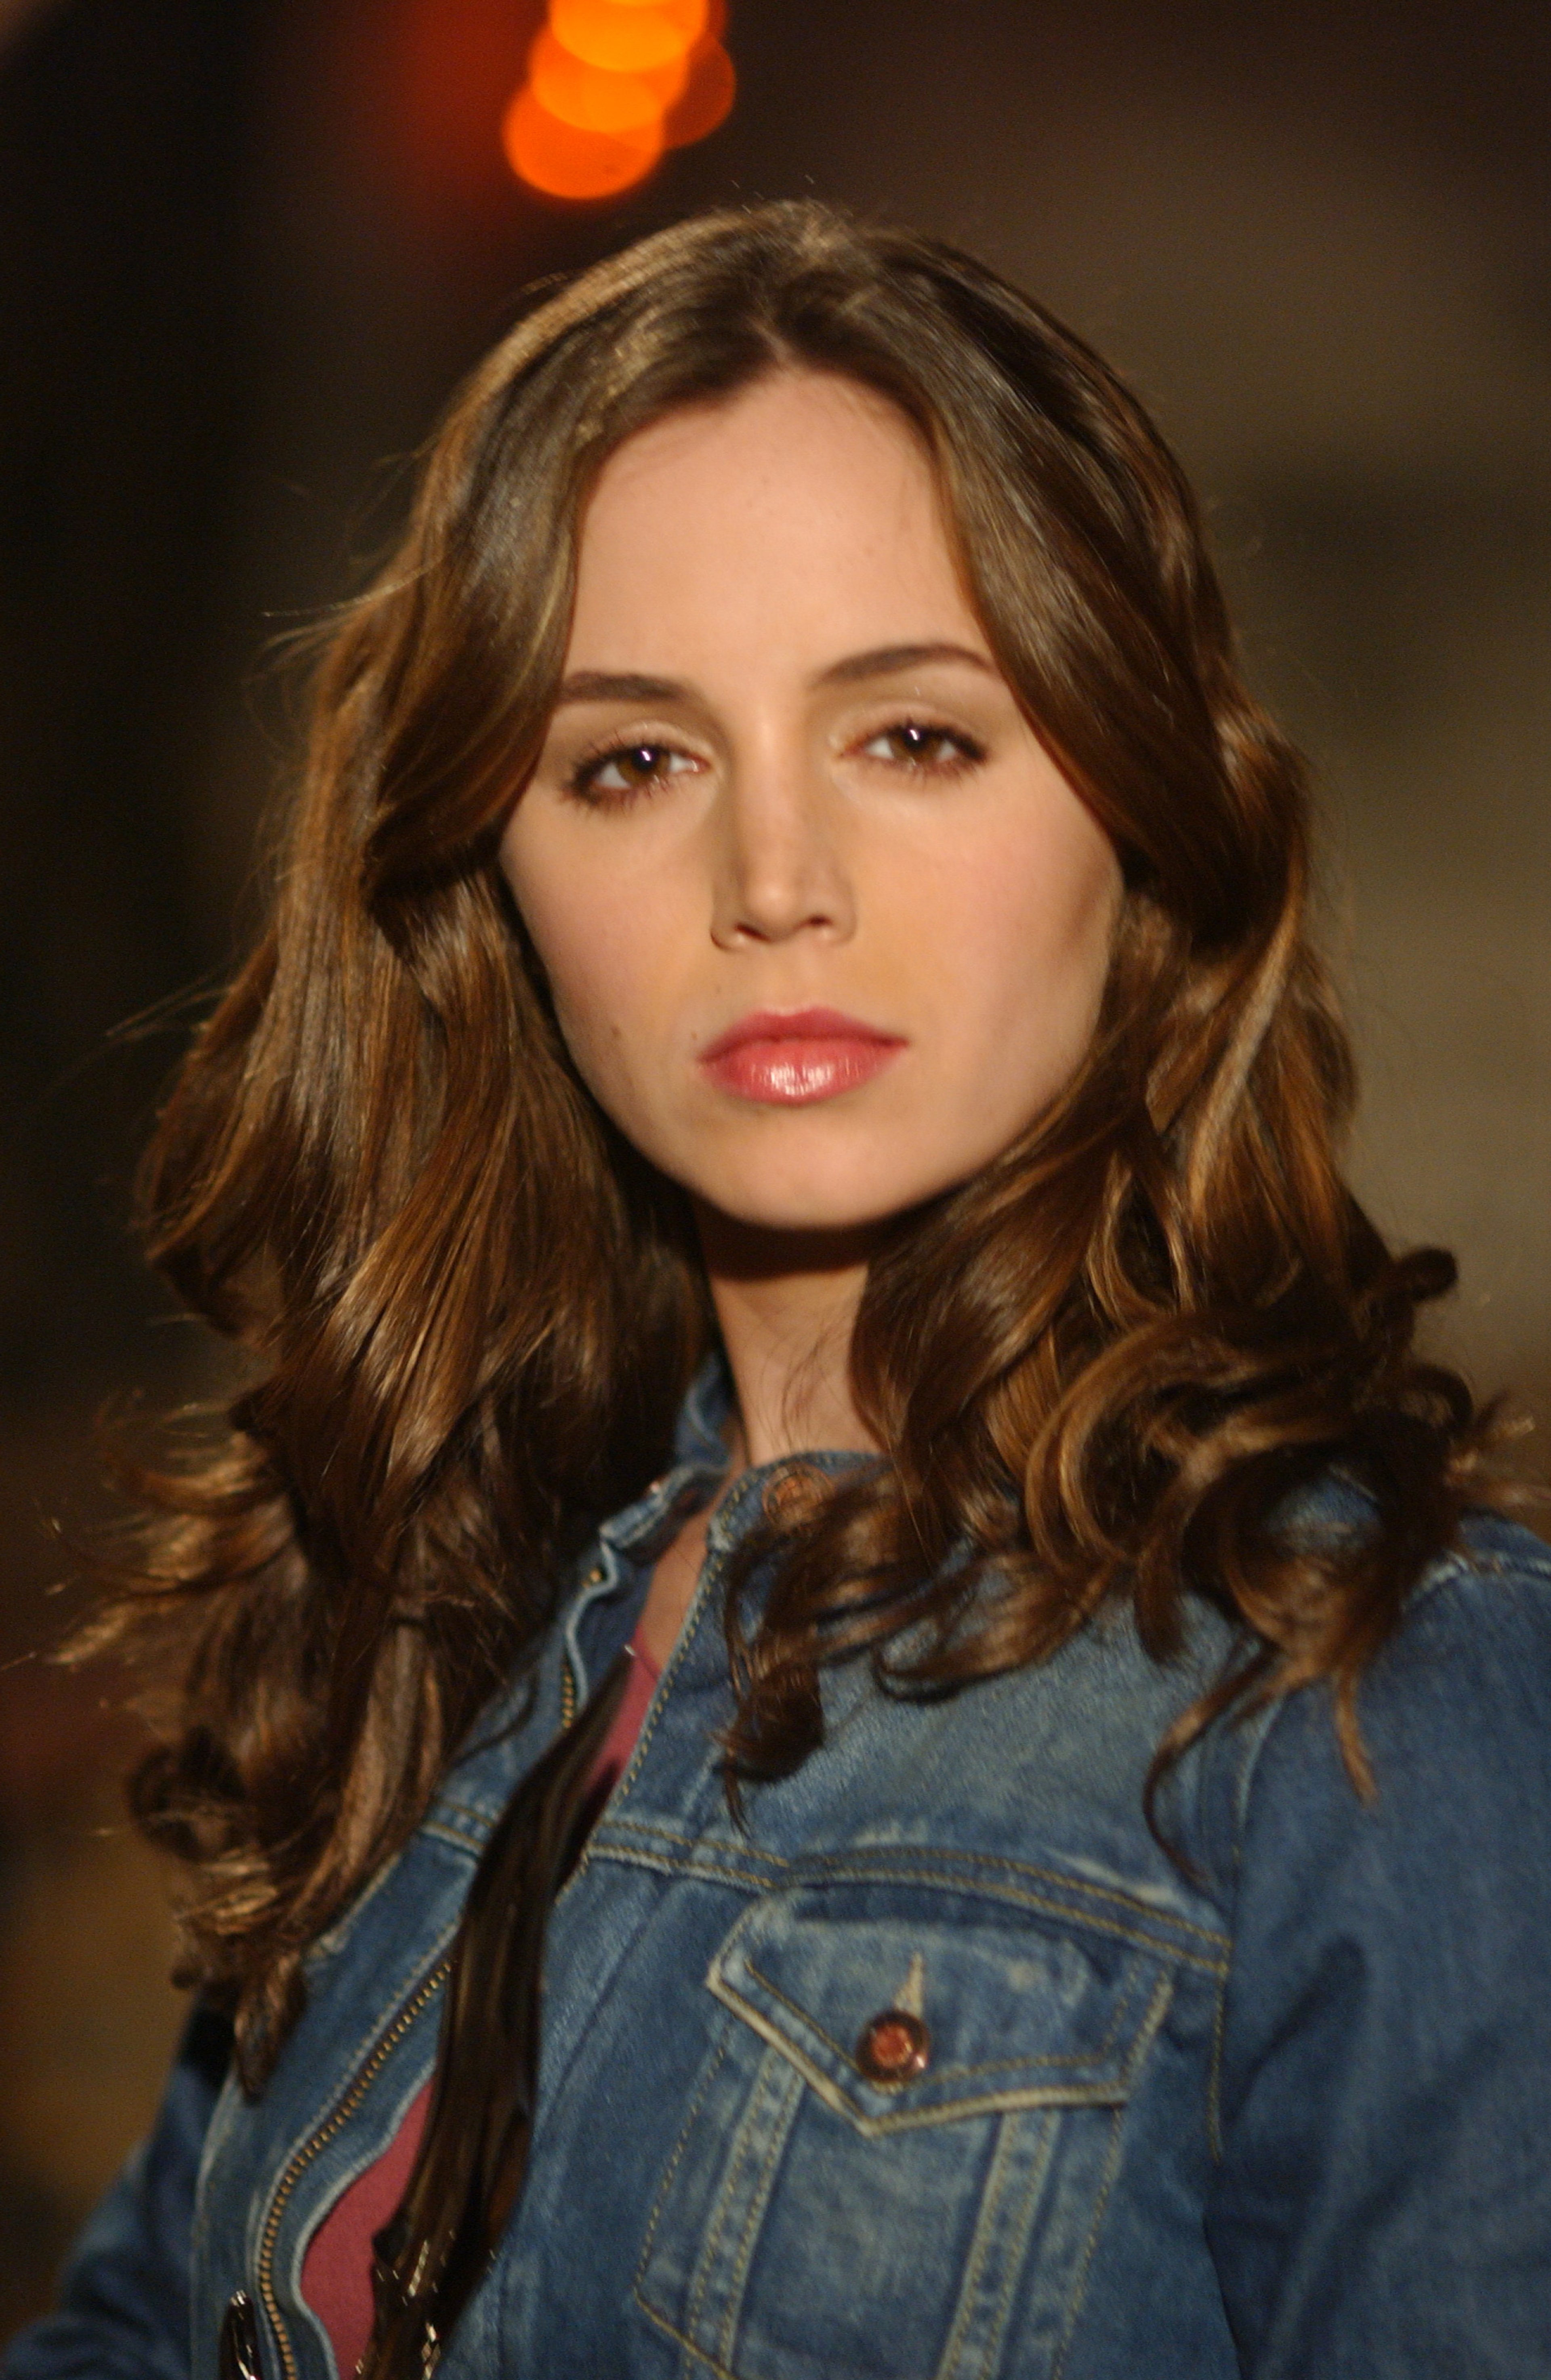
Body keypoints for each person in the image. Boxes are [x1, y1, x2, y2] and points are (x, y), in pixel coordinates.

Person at [6, 200, 1549, 2380]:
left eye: (914, 735)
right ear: (491, 883)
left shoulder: (1376, 1710)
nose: (776, 884)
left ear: (1137, 807)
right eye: (633, 760)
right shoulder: (439, 1609)